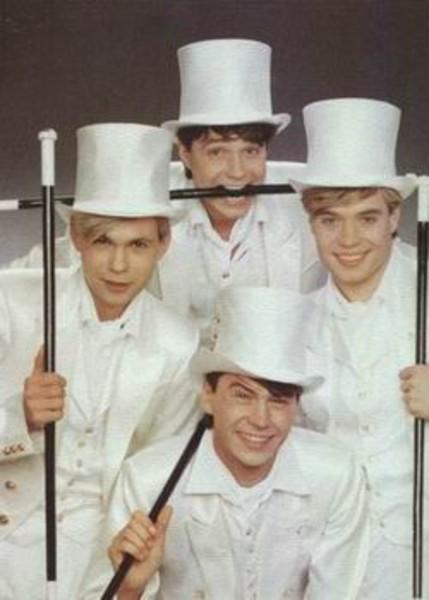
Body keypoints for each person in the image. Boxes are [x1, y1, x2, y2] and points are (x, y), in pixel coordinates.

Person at [0, 123, 200, 599]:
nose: (118, 266)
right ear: (75, 236)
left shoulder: (179, 343)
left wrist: (125, 572)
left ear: (163, 243)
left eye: (138, 245)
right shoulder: (14, 303)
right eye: (104, 241)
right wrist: (20, 415)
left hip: (101, 547)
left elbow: (161, 471)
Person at [81, 286, 369, 600]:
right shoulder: (147, 479)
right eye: (242, 395)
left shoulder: (336, 474)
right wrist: (130, 589)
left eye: (278, 400)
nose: (260, 420)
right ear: (208, 395)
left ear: (296, 405)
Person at [289, 97, 428, 599]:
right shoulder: (296, 317)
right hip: (334, 561)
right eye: (330, 220)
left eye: (367, 218)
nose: (348, 240)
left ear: (394, 217)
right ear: (312, 224)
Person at [158, 39, 323, 337]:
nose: (237, 172)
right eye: (217, 152)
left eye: (251, 151)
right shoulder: (143, 198)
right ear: (185, 153)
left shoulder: (310, 200)